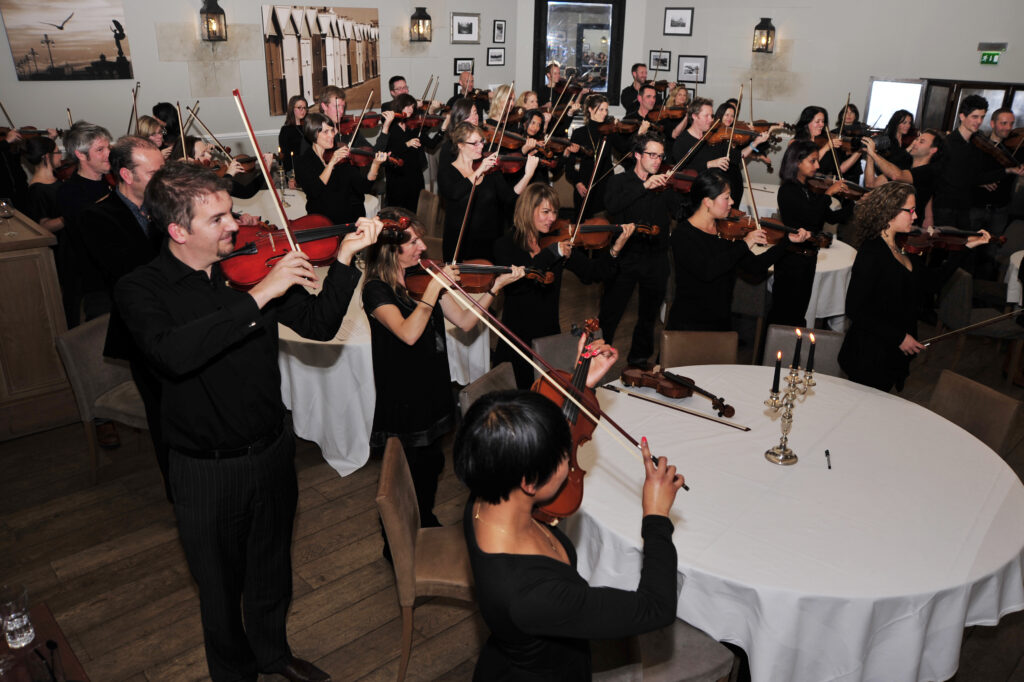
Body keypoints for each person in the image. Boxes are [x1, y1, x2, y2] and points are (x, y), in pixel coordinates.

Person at [115, 161, 383, 682]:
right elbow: (173, 354)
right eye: (218, 220)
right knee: (218, 590)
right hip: (206, 469)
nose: (235, 227)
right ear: (177, 230)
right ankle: (234, 674)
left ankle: (273, 654)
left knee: (271, 570)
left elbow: (321, 325)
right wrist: (259, 297)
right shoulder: (141, 289)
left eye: (231, 213)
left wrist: (346, 260)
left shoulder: (248, 266)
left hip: (272, 449)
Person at [454, 389, 684, 681]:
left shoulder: (488, 491)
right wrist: (656, 516)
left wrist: (578, 386)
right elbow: (657, 609)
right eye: (564, 456)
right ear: (528, 482)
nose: (571, 461)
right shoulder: (532, 595)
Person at [363, 206, 522, 530]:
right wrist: (436, 289)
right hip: (403, 396)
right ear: (390, 249)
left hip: (433, 386)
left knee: (432, 465)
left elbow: (464, 321)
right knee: (405, 474)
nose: (423, 247)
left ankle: (423, 519)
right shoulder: (375, 290)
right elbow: (408, 334)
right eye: (413, 242)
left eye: (421, 239)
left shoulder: (423, 278)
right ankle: (397, 540)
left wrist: (495, 287)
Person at [76, 136, 168, 497]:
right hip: (143, 331)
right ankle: (179, 488)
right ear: (126, 175)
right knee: (163, 414)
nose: (164, 177)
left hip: (184, 319)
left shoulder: (165, 204)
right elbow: (130, 276)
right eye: (155, 172)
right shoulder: (96, 218)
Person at [838, 182, 989, 392]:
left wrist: (965, 248)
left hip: (892, 353)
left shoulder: (903, 249)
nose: (916, 216)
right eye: (910, 210)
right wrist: (899, 337)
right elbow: (855, 309)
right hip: (870, 354)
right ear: (890, 212)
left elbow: (933, 283)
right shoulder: (871, 253)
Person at [493, 183, 633, 387]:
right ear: (527, 210)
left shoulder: (555, 243)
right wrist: (551, 254)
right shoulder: (505, 245)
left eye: (555, 212)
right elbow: (518, 285)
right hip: (516, 338)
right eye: (546, 212)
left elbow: (592, 273)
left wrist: (616, 249)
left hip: (548, 337)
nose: (552, 218)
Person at [668, 170, 809, 331]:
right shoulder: (683, 235)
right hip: (688, 324)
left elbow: (755, 266)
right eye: (726, 197)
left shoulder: (727, 234)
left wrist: (786, 242)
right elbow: (707, 271)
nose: (732, 202)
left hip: (721, 323)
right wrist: (745, 243)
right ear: (707, 201)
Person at [599, 131, 677, 368]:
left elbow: (678, 212)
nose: (657, 160)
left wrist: (673, 187)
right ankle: (599, 355)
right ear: (637, 155)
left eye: (660, 156)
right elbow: (612, 206)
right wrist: (644, 186)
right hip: (626, 256)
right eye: (652, 155)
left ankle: (639, 359)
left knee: (649, 315)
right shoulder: (619, 181)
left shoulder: (664, 185)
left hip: (656, 257)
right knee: (610, 313)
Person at [768, 139, 848, 327]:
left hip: (809, 259)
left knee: (798, 313)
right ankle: (772, 352)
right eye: (813, 161)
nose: (818, 166)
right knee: (783, 314)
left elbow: (832, 218)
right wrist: (828, 194)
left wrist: (854, 201)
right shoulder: (788, 190)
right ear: (797, 162)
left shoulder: (809, 189)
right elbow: (810, 218)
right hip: (791, 261)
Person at [438, 122, 538, 261]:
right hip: (459, 243)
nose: (481, 146)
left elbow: (509, 198)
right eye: (474, 143)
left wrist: (528, 175)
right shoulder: (448, 170)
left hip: (490, 242)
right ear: (460, 145)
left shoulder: (490, 169)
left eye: (481, 141)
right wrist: (479, 171)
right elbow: (454, 193)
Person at [933, 95, 1023, 231]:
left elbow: (977, 176)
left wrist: (1009, 170)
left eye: (982, 117)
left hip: (964, 207)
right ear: (962, 117)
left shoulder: (974, 144)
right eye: (975, 117)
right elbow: (958, 179)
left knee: (964, 250)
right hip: (946, 208)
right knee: (943, 249)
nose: (979, 121)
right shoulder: (949, 143)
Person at [55, 121, 113, 328]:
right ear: (80, 155)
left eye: (108, 147)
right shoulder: (70, 192)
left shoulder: (111, 180)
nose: (108, 153)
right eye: (100, 149)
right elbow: (91, 230)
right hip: (93, 282)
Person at [294, 113, 387, 225]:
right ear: (313, 135)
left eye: (332, 130)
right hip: (322, 222)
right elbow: (314, 191)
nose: (332, 135)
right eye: (325, 132)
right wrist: (332, 163)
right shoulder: (303, 161)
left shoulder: (341, 156)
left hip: (349, 221)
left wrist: (375, 165)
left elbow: (364, 187)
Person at [565, 94, 631, 220]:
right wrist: (577, 183)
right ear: (590, 109)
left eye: (606, 110)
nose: (604, 113)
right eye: (601, 109)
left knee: (604, 228)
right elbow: (569, 165)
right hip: (584, 184)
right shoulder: (579, 133)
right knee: (582, 225)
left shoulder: (610, 131)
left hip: (606, 185)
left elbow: (625, 149)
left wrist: (639, 133)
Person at [863, 128, 944, 228]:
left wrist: (874, 154)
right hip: (887, 224)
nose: (915, 143)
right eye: (916, 139)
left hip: (908, 228)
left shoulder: (929, 171)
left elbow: (896, 175)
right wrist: (870, 156)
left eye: (921, 141)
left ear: (933, 150)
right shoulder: (904, 166)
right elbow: (871, 184)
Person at [710, 100, 771, 206]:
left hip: (734, 178)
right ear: (719, 115)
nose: (729, 118)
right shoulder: (712, 133)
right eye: (727, 115)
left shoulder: (731, 135)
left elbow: (739, 155)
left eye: (732, 116)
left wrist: (756, 142)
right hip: (718, 179)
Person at [383, 93, 429, 211]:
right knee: (398, 212)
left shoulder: (412, 125)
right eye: (407, 106)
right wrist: (407, 144)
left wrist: (442, 129)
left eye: (413, 107)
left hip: (414, 175)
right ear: (399, 106)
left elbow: (431, 143)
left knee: (414, 211)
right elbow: (388, 152)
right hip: (398, 177)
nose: (410, 110)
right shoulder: (390, 126)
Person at [670, 97, 728, 173]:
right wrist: (709, 164)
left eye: (711, 116)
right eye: (706, 116)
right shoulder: (681, 141)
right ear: (694, 116)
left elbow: (735, 157)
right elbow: (682, 169)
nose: (711, 119)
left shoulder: (713, 138)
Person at [22, 135, 64, 233]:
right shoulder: (37, 190)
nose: (61, 156)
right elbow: (43, 226)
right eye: (58, 152)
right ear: (47, 157)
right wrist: (70, 216)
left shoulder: (56, 178)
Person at [278, 95, 308, 172]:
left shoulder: (309, 127)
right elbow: (285, 155)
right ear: (292, 109)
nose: (303, 110)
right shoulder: (285, 130)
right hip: (294, 168)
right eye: (299, 107)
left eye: (304, 108)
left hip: (309, 165)